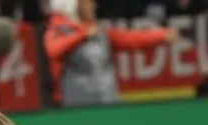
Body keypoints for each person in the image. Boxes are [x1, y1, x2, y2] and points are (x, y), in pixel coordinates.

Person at [45, 0, 178, 106]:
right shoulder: (59, 30)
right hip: (78, 103)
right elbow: (53, 50)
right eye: (87, 2)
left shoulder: (98, 29)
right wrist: (83, 35)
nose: (94, 6)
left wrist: (160, 35)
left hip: (107, 98)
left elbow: (129, 38)